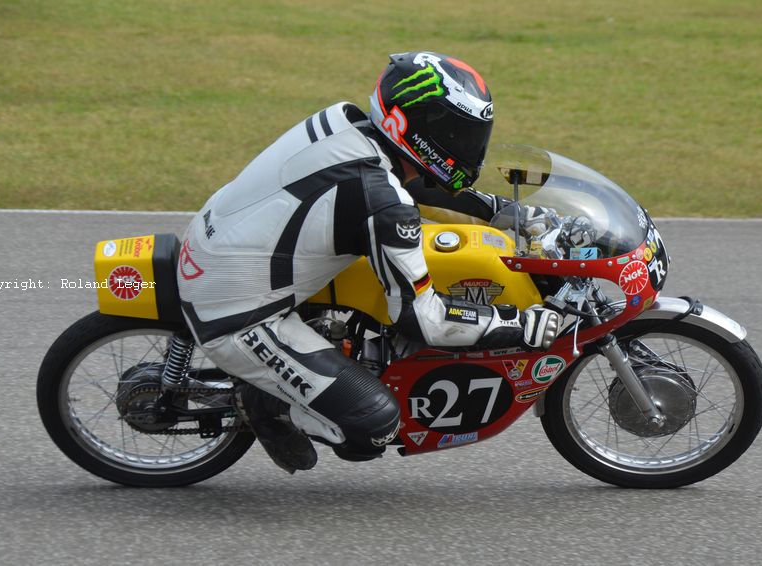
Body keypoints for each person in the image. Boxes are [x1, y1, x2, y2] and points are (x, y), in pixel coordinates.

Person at [176, 51, 560, 474]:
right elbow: (423, 319)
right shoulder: (382, 202)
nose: (469, 147)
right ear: (418, 125)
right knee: (375, 424)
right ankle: (263, 401)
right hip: (237, 312)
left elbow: (411, 187)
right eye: (456, 132)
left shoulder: (349, 123)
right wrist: (516, 323)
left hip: (218, 244)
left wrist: (507, 213)